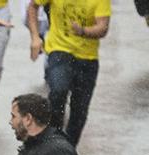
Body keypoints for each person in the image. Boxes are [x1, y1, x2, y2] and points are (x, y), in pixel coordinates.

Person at [30, 0, 109, 145]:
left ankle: (68, 149)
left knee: (80, 110)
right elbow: (33, 6)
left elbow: (103, 27)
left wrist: (83, 31)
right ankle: (53, 139)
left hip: (87, 58)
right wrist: (35, 37)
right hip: (60, 51)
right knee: (58, 91)